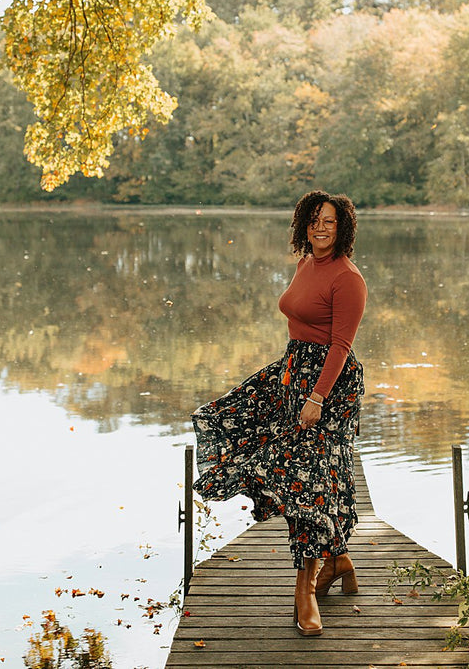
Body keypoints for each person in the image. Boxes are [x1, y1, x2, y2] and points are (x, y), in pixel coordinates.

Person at [191, 190, 367, 637]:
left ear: (342, 227)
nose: (320, 228)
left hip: (328, 385)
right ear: (303, 226)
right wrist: (294, 381)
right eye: (313, 221)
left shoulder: (349, 279)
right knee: (233, 420)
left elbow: (341, 348)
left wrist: (317, 398)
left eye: (328, 221)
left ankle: (305, 587)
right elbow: (301, 324)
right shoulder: (307, 263)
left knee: (307, 478)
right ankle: (339, 560)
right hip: (293, 372)